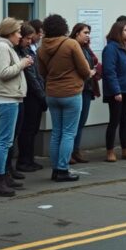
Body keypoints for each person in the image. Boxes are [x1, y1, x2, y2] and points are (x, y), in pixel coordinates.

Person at [38, 14, 92, 181]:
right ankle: (62, 169)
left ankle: (55, 169)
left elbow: (42, 72)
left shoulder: (42, 47)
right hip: (71, 92)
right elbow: (84, 70)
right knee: (69, 133)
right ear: (63, 27)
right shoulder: (71, 44)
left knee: (56, 133)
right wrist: (87, 74)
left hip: (52, 93)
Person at [0, 18, 31, 197]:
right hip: (5, 99)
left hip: (9, 98)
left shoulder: (3, 46)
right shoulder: (2, 47)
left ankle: (3, 177)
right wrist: (22, 63)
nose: (20, 36)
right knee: (4, 142)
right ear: (10, 33)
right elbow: (4, 73)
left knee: (6, 141)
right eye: (18, 32)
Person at [102, 20, 126, 162]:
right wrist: (116, 91)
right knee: (114, 121)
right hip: (117, 92)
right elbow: (109, 71)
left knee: (125, 121)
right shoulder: (111, 49)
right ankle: (110, 151)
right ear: (118, 32)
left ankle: (125, 150)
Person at [16, 23, 47, 172]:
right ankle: (23, 160)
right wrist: (42, 95)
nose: (30, 41)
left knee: (33, 130)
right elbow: (31, 77)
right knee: (27, 130)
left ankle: (29, 159)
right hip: (29, 96)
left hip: (36, 94)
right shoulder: (20, 52)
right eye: (27, 38)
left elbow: (37, 74)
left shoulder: (28, 50)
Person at [69, 23, 99, 163]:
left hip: (87, 88)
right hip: (76, 89)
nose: (88, 35)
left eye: (89, 33)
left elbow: (93, 62)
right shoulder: (72, 47)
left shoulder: (86, 48)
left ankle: (76, 150)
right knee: (72, 123)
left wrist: (94, 71)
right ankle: (68, 152)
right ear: (76, 33)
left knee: (81, 122)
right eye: (85, 32)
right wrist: (89, 72)